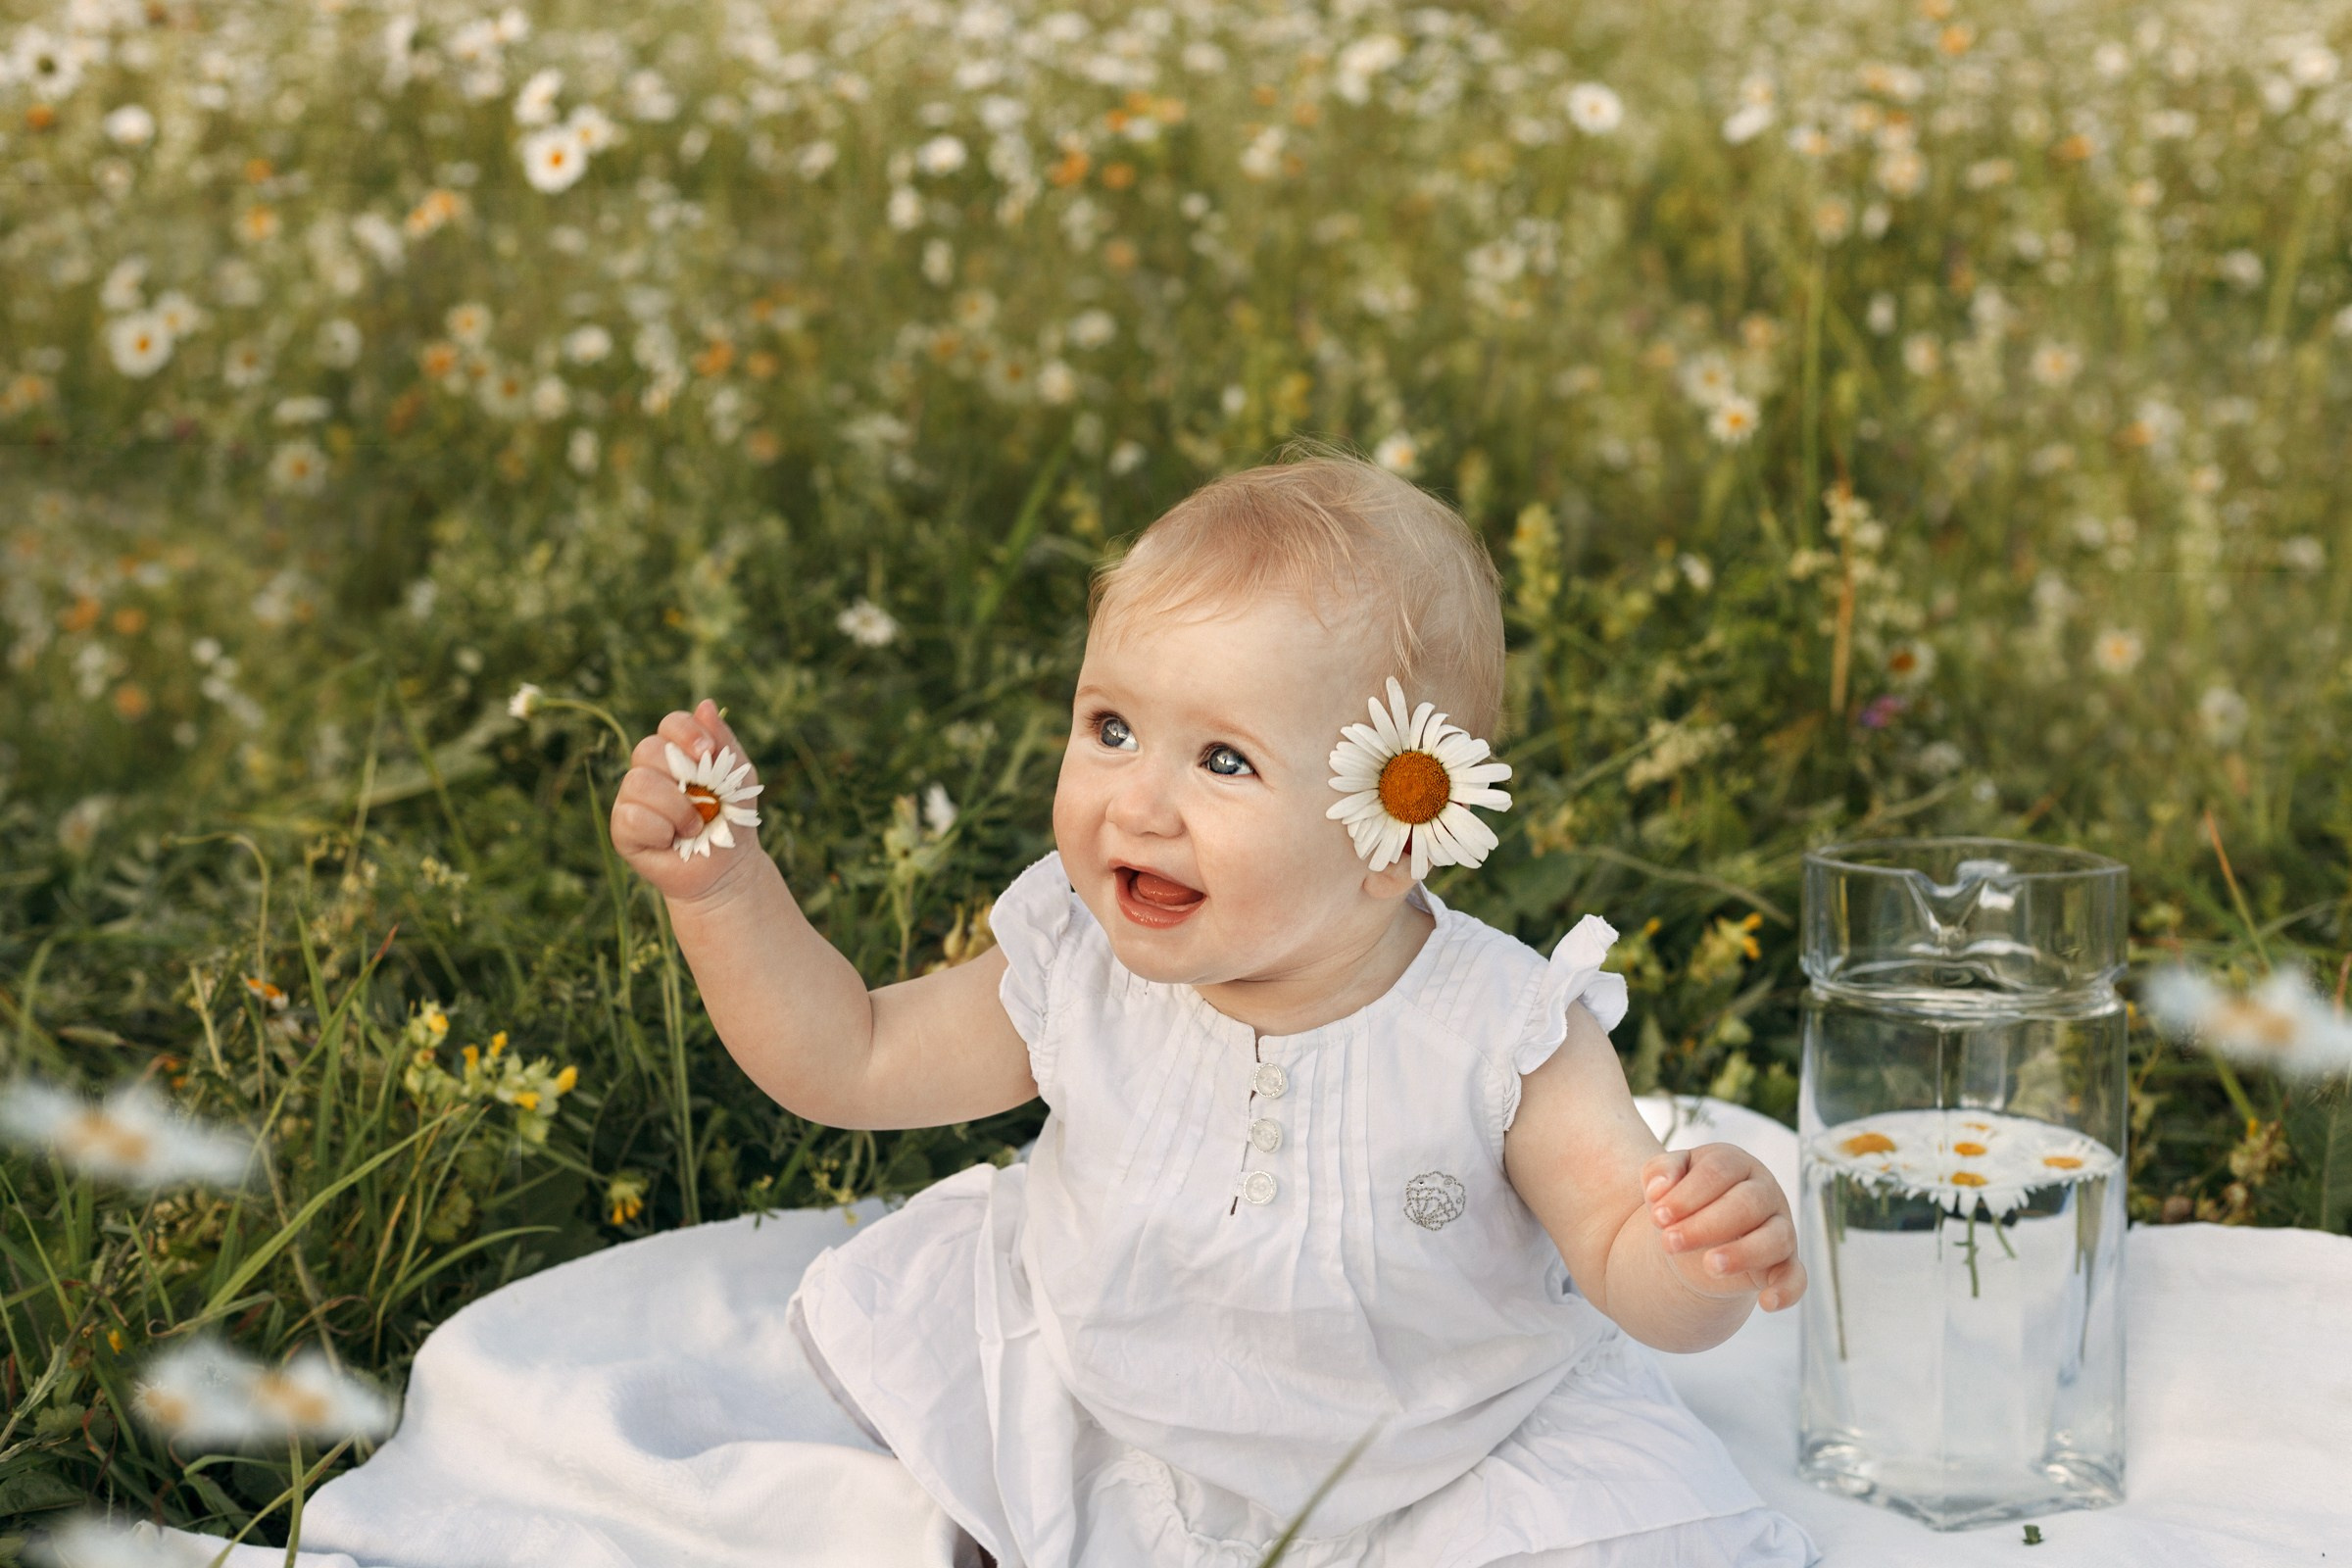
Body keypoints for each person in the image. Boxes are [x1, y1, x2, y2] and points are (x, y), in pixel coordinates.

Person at [608, 453, 1819, 1568]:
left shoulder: (1501, 1030)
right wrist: (725, 896)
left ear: (1399, 825)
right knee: (944, 1491)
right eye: (1112, 727)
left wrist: (1695, 1256)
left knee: (1595, 1532)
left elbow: (1619, 1254)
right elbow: (853, 1058)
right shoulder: (1081, 970)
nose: (1137, 803)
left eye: (1223, 760)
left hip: (1443, 1458)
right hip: (1121, 1416)